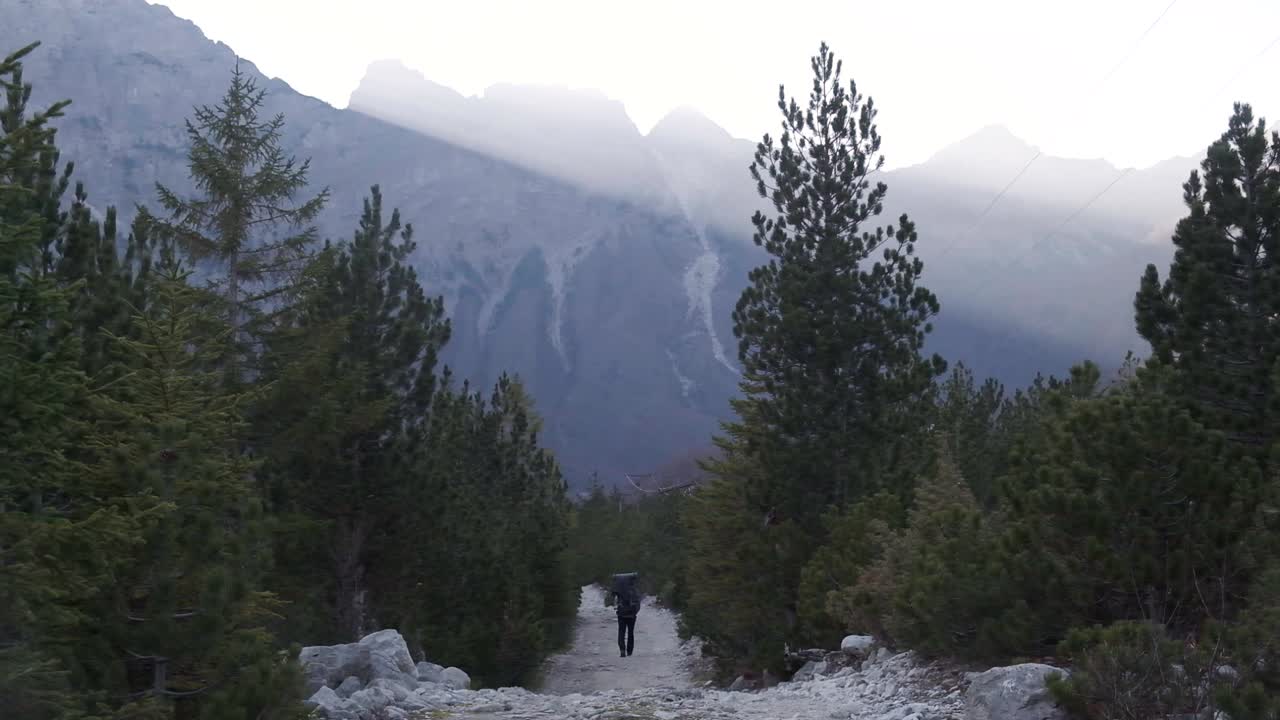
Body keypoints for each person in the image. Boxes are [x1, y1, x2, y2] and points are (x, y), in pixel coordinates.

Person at [611, 573, 641, 657]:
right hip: (632, 614)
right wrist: (635, 612)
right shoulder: (633, 590)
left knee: (621, 632)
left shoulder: (618, 590)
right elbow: (638, 601)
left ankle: (622, 650)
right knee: (630, 633)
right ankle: (629, 651)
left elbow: (613, 601)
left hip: (621, 614)